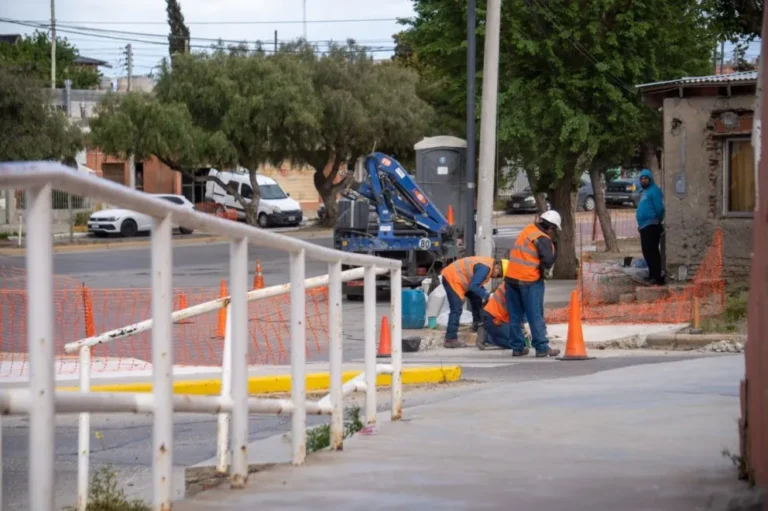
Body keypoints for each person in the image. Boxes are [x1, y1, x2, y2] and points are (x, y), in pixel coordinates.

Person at [504, 211, 561, 357]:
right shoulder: (542, 238)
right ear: (551, 227)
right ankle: (542, 347)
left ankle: (517, 347)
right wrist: (555, 248)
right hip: (529, 280)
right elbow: (548, 262)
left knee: (515, 316)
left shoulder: (528, 230)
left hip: (511, 279)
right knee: (535, 314)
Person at [441, 256, 503, 349]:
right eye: (499, 275)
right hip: (452, 278)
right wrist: (488, 295)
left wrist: (485, 294)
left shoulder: (488, 266)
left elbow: (475, 285)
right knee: (456, 309)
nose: (496, 277)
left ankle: (477, 325)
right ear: (497, 267)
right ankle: (450, 339)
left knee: (476, 298)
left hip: (461, 279)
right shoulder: (485, 268)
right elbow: (474, 286)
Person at [636, 168, 666, 285]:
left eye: (646, 178)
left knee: (652, 251)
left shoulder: (654, 191)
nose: (643, 180)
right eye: (642, 179)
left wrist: (657, 220)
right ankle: (651, 275)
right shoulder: (645, 192)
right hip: (644, 226)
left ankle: (657, 276)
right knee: (646, 251)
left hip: (652, 225)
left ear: (650, 179)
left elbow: (659, 208)